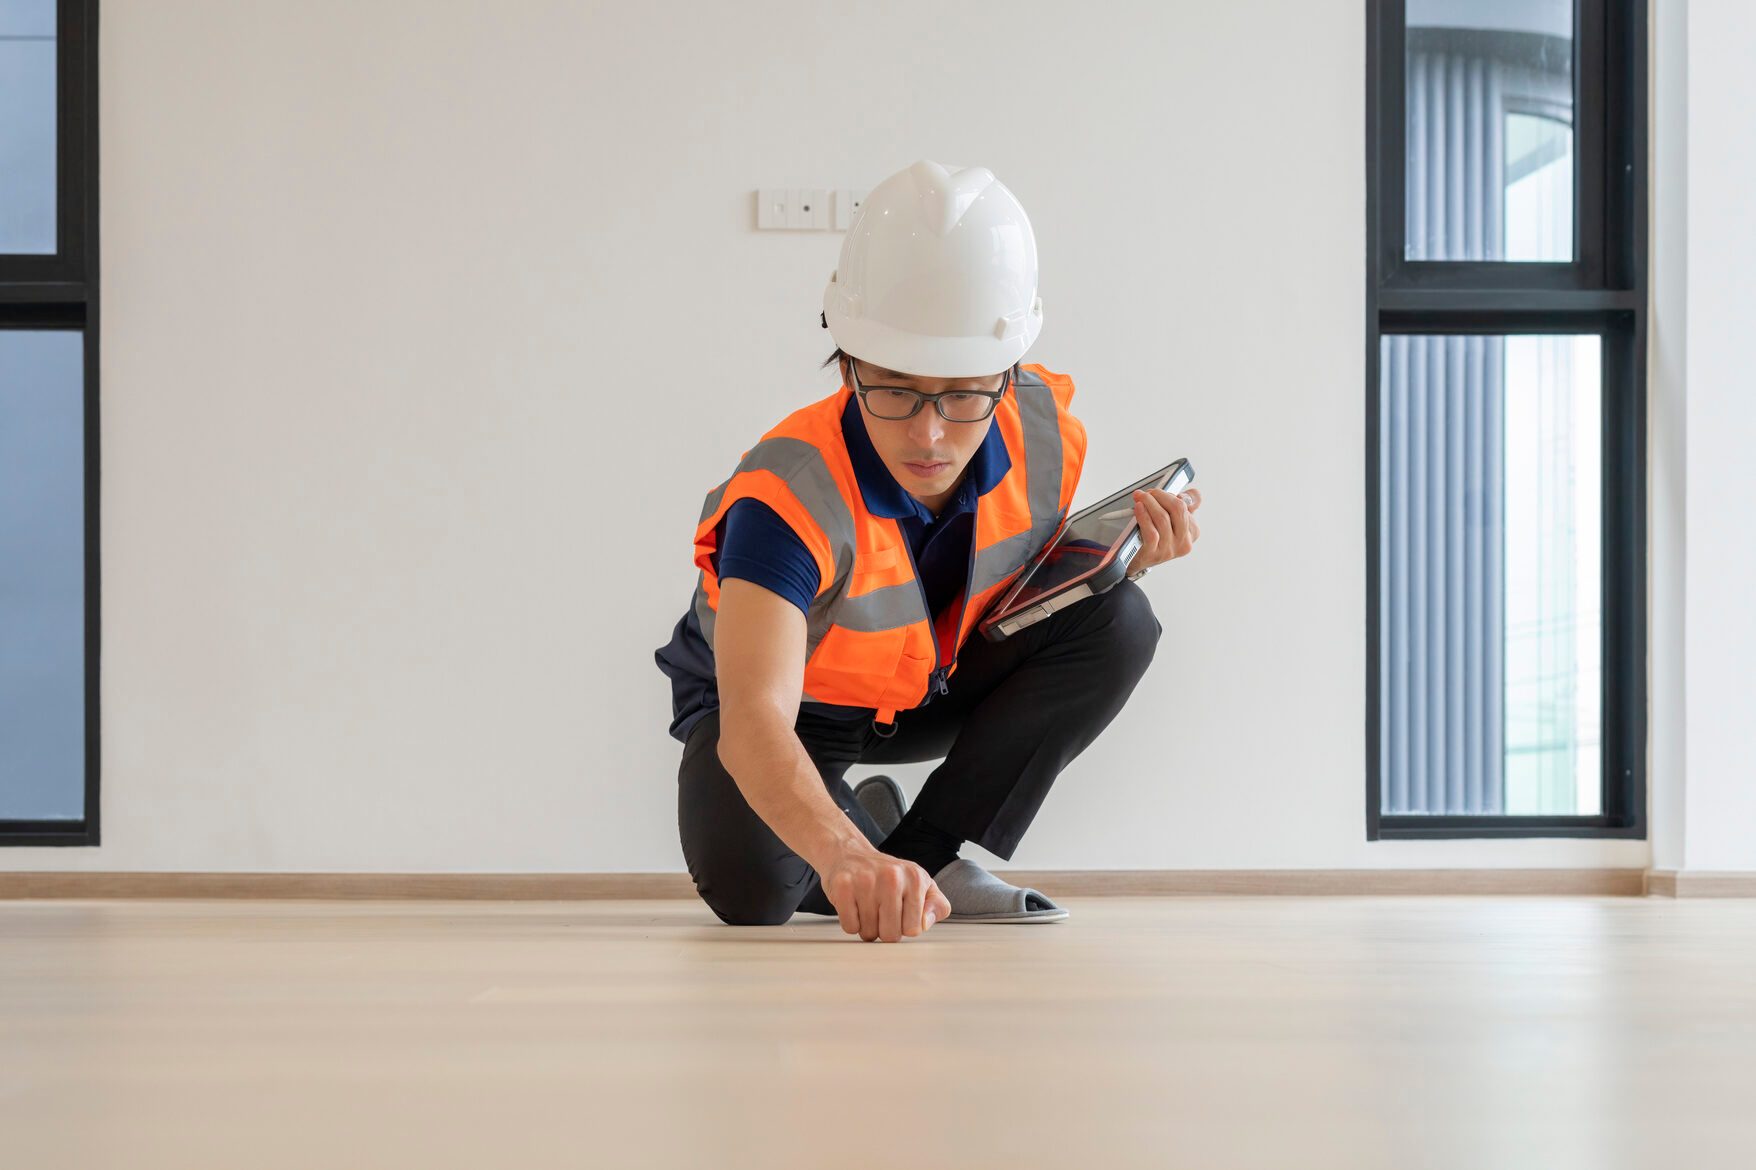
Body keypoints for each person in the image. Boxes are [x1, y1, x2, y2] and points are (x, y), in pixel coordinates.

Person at [654, 160, 1202, 943]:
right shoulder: (789, 498)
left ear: (1008, 378)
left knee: (1121, 620)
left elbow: (1016, 586)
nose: (930, 433)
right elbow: (754, 719)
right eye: (895, 388)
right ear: (848, 365)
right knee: (752, 895)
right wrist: (844, 856)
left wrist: (1122, 562)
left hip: (929, 686)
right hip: (794, 711)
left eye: (964, 392)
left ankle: (924, 855)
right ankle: (865, 834)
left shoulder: (1038, 431)